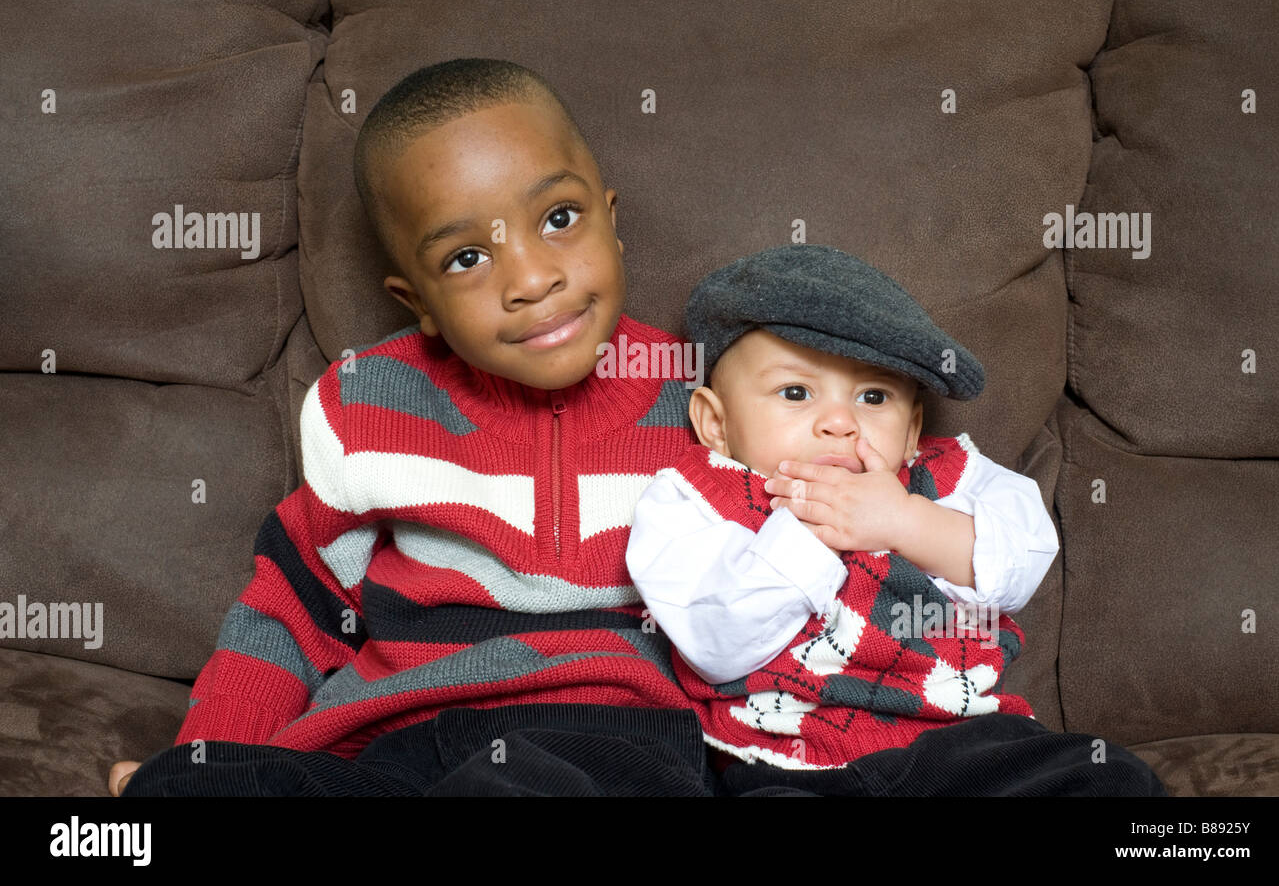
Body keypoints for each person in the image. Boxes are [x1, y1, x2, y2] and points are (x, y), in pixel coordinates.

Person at [108, 59, 1164, 796]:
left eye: (558, 219)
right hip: (390, 737)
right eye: (467, 259)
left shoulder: (708, 404)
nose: (530, 279)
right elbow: (290, 605)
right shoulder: (362, 407)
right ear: (416, 300)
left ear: (613, 216)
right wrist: (203, 756)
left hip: (611, 744)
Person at [626, 245, 1166, 790]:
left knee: (1110, 777)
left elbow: (1024, 558)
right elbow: (716, 645)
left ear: (911, 430)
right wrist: (812, 530)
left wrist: (907, 520)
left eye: (873, 396)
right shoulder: (691, 499)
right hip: (786, 754)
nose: (839, 422)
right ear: (715, 424)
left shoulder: (951, 478)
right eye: (796, 392)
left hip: (958, 741)